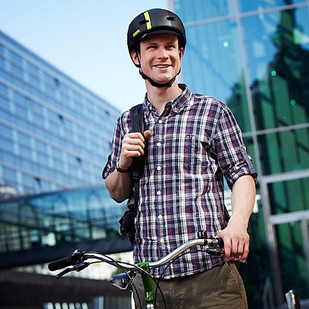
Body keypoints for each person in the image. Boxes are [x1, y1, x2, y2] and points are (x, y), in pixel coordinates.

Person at [102, 8, 258, 309]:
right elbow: (116, 192)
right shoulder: (127, 122)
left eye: (170, 47)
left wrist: (238, 224)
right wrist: (123, 162)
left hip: (210, 278)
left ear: (180, 53)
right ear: (136, 57)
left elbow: (241, 175)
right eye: (152, 47)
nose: (163, 55)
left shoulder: (211, 111)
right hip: (150, 283)